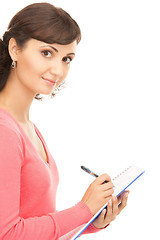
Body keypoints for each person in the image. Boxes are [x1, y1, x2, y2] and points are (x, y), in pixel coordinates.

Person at [0, 3, 129, 239]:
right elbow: (7, 234)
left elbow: (38, 222)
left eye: (67, 59)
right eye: (47, 53)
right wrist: (82, 209)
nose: (58, 70)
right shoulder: (3, 131)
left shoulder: (27, 127)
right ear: (14, 49)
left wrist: (91, 221)